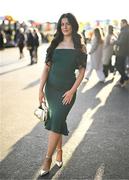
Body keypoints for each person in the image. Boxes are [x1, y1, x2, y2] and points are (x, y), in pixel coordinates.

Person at [38, 13, 87, 176]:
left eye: (67, 24)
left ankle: (47, 159)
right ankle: (59, 150)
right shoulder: (55, 44)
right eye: (62, 24)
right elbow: (46, 68)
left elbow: (81, 72)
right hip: (51, 90)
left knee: (56, 120)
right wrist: (40, 90)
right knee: (57, 121)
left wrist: (72, 91)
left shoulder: (79, 46)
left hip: (67, 91)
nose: (64, 26)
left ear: (73, 25)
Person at [114, 19, 129, 87]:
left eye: (121, 23)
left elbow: (122, 42)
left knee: (118, 66)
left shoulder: (125, 31)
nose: (120, 25)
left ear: (125, 23)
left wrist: (114, 41)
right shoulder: (125, 30)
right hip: (123, 52)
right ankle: (121, 81)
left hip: (121, 52)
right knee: (121, 67)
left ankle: (126, 79)